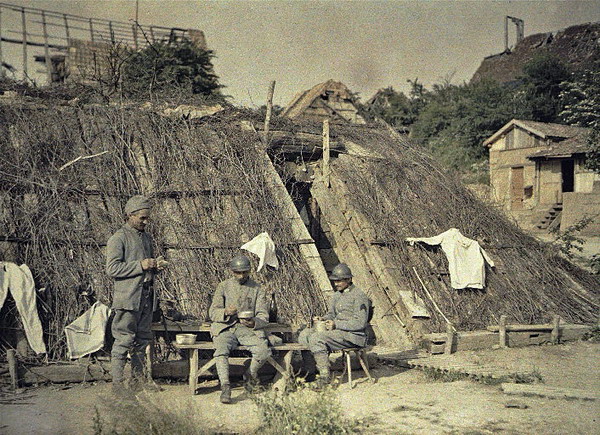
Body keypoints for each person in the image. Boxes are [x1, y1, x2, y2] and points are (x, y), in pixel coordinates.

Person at [106, 195, 162, 394]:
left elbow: (145, 266)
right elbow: (112, 269)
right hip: (127, 298)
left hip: (145, 297)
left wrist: (155, 266)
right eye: (142, 218)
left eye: (147, 218)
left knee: (143, 340)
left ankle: (137, 381)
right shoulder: (118, 238)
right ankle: (117, 385)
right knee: (123, 341)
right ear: (130, 215)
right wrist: (140, 265)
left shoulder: (146, 237)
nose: (145, 222)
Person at [208, 254, 271, 404]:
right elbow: (212, 312)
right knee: (221, 350)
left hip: (246, 329)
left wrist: (254, 322)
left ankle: (249, 374)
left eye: (244, 272)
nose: (241, 275)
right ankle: (225, 386)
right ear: (231, 271)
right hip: (225, 327)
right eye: (237, 272)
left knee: (263, 351)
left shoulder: (257, 289)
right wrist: (225, 312)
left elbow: (263, 314)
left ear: (249, 271)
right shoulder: (223, 286)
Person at [298, 263, 371, 386]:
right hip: (338, 333)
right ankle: (310, 373)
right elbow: (331, 314)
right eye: (334, 281)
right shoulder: (337, 295)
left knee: (317, 338)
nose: (336, 284)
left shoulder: (359, 296)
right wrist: (323, 318)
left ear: (349, 279)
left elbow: (360, 323)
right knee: (304, 335)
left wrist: (336, 324)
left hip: (354, 335)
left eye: (339, 281)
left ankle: (325, 378)